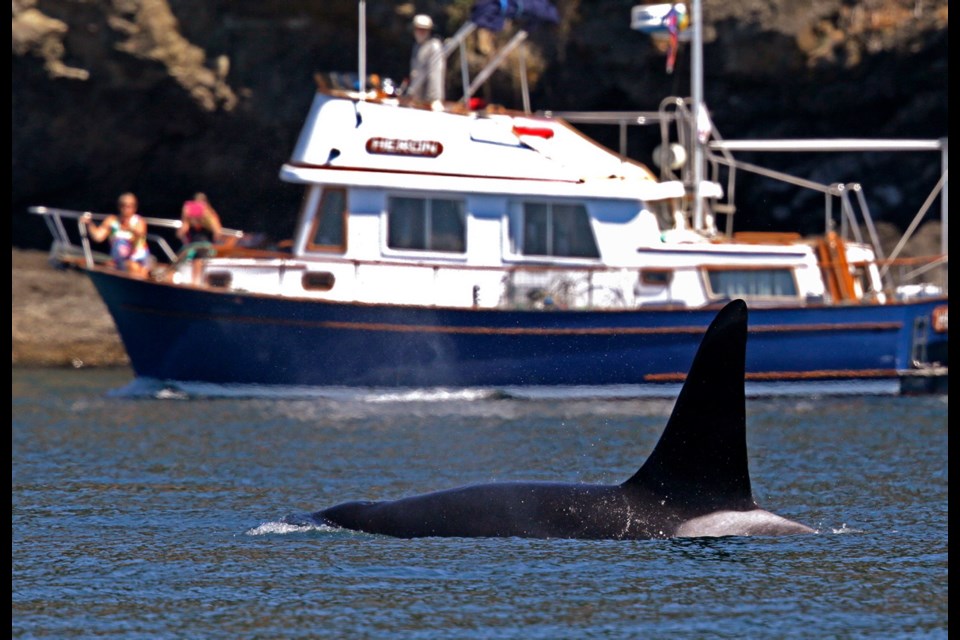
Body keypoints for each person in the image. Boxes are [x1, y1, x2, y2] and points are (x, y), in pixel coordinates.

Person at [81, 192, 152, 277]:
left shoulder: (139, 221)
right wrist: (89, 224)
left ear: (134, 207)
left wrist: (129, 228)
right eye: (123, 205)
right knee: (108, 267)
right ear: (119, 206)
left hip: (137, 259)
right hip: (119, 261)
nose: (126, 208)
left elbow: (140, 235)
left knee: (133, 267)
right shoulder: (112, 220)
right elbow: (98, 237)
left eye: (129, 206)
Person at [176, 192, 223, 285]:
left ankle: (195, 284)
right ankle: (195, 284)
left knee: (196, 258)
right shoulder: (206, 215)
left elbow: (180, 233)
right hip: (198, 246)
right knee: (194, 258)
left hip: (198, 246)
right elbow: (218, 233)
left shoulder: (208, 215)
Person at [407, 13, 444, 108]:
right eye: (418, 29)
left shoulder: (434, 47)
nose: (421, 32)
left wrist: (434, 99)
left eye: (424, 30)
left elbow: (435, 74)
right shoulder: (417, 46)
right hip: (416, 99)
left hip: (428, 101)